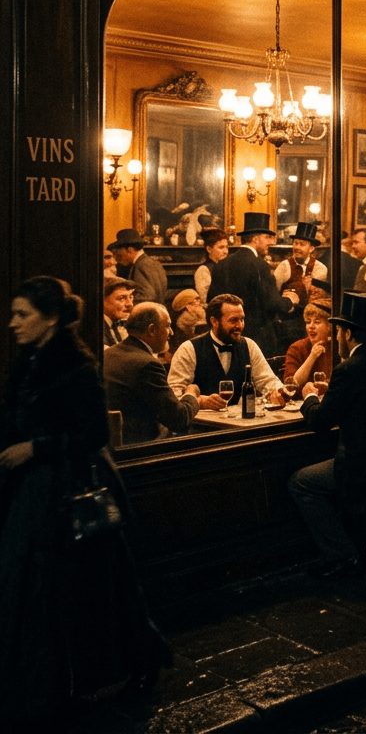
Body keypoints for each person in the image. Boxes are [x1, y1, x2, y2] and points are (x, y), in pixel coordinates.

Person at [0, 277, 172, 726]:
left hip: (73, 490)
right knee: (47, 593)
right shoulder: (30, 360)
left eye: (23, 314)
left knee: (100, 587)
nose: (13, 323)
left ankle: (138, 662)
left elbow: (94, 435)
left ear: (52, 317)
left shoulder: (76, 366)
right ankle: (50, 685)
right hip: (36, 492)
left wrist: (36, 448)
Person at [287, 292, 366, 579]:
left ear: (348, 334)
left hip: (361, 470)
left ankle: (342, 554)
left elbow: (320, 421)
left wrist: (309, 398)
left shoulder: (348, 370)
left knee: (300, 483)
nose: (337, 336)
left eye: (339, 331)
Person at [104, 302, 201, 444]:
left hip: (111, 445)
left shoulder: (109, 354)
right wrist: (192, 394)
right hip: (140, 449)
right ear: (151, 330)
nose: (171, 333)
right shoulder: (147, 365)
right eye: (167, 326)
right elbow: (179, 419)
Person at [168, 294, 287, 405]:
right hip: (200, 425)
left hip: (241, 424)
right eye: (233, 320)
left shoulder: (249, 345)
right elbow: (173, 394)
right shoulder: (189, 349)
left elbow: (268, 380)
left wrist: (277, 391)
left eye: (242, 319)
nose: (240, 325)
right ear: (214, 321)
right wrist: (199, 401)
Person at [207, 212, 299, 355]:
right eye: (267, 237)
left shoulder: (222, 264)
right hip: (257, 340)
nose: (271, 242)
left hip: (225, 336)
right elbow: (272, 303)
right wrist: (290, 301)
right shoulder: (259, 265)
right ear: (255, 239)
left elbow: (211, 301)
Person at [274, 220, 328, 347]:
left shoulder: (320, 268)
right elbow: (274, 296)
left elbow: (320, 299)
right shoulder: (284, 266)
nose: (297, 247)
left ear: (311, 248)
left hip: (310, 324)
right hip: (288, 324)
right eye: (295, 243)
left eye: (302, 244)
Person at [283, 297, 335, 390]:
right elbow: (291, 385)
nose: (311, 326)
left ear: (329, 326)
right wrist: (312, 356)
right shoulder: (296, 348)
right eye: (308, 322)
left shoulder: (336, 347)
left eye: (317, 322)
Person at [108, 228, 168, 307]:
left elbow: (147, 296)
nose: (118, 257)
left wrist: (125, 301)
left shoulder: (141, 265)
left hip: (146, 313)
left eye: (120, 252)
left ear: (129, 250)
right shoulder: (155, 263)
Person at [193, 228, 229, 303]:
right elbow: (205, 300)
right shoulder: (204, 270)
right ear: (209, 249)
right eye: (221, 247)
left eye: (226, 247)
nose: (226, 251)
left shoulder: (227, 267)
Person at [169, 287, 207, 353]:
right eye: (193, 303)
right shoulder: (185, 318)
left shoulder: (198, 314)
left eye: (198, 300)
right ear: (186, 306)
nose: (198, 304)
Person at [102, 275, 135, 347]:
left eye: (131, 297)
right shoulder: (97, 329)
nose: (130, 304)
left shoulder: (117, 324)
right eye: (121, 298)